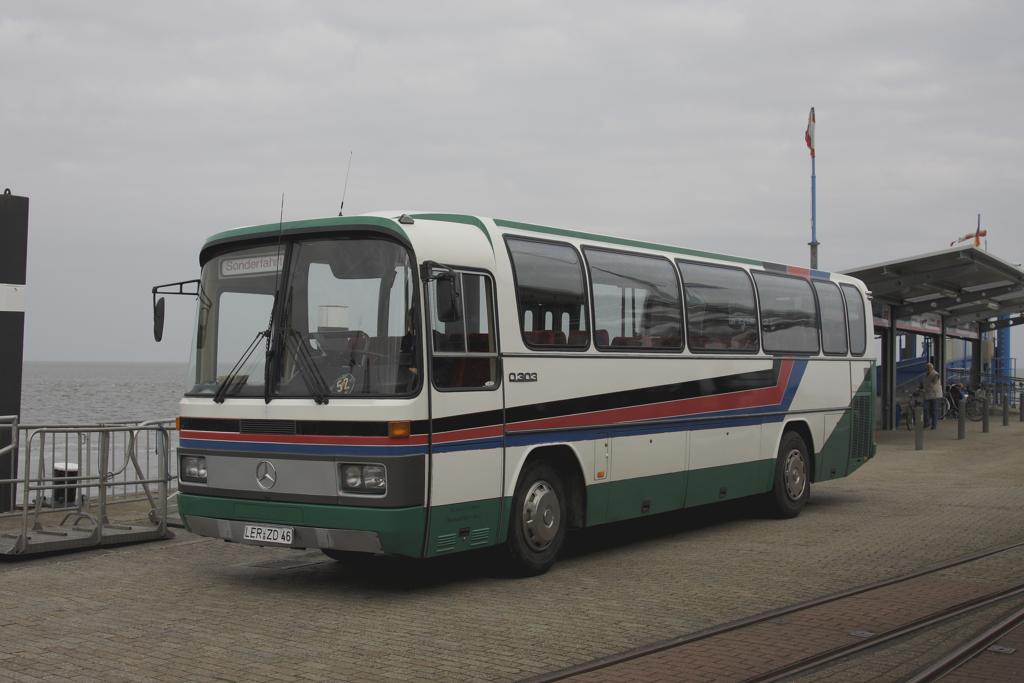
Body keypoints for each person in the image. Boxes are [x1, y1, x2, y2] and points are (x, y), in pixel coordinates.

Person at [922, 362, 943, 429]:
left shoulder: (935, 374)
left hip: (935, 395)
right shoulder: (925, 375)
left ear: (932, 368)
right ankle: (927, 423)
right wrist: (920, 387)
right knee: (925, 409)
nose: (928, 368)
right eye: (927, 367)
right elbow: (923, 383)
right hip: (927, 394)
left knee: (934, 410)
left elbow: (933, 383)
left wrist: (925, 388)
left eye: (929, 367)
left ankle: (934, 425)